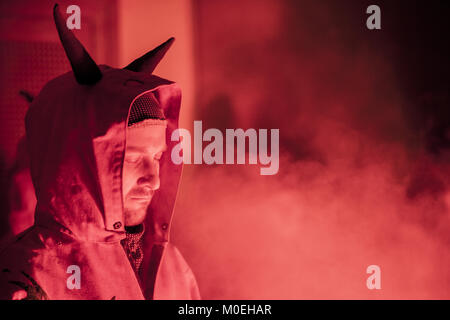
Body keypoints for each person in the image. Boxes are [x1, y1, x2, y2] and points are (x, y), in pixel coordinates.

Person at [0, 4, 200, 300]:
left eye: (157, 157)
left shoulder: (172, 266)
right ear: (79, 163)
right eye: (132, 159)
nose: (154, 181)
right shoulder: (31, 276)